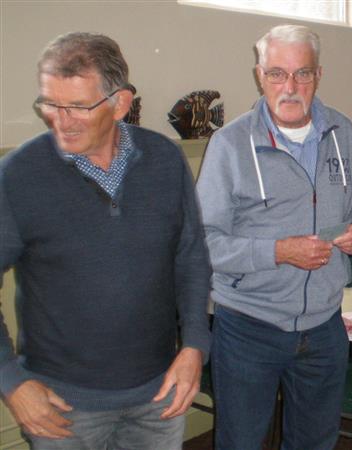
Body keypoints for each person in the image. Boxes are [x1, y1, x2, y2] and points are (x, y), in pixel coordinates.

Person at [0, 32, 211, 449]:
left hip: (159, 394)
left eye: (78, 106)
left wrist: (194, 347)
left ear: (120, 103)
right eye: (50, 104)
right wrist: (11, 382)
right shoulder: (19, 174)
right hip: (61, 408)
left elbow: (190, 258)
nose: (61, 121)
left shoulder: (165, 161)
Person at [196, 24, 352, 450]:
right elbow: (202, 242)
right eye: (277, 74)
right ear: (260, 75)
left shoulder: (342, 131)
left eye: (302, 74)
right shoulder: (229, 144)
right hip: (249, 328)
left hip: (325, 328)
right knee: (240, 442)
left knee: (316, 442)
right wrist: (277, 252)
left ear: (318, 75)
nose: (290, 87)